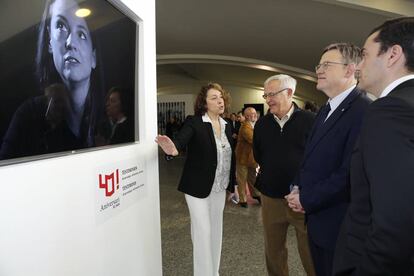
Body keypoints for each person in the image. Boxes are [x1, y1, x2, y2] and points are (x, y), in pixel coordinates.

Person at [333, 18, 414, 275]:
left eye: (365, 55)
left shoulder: (390, 110)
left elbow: (395, 220)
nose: (358, 65)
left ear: (392, 55)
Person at [285, 43, 371, 276]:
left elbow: (351, 173)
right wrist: (296, 186)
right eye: (318, 65)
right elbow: (309, 156)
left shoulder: (363, 110)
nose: (318, 70)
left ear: (349, 70)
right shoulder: (325, 110)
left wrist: (307, 198)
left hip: (340, 225)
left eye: (326, 65)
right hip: (318, 220)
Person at [0, 0, 103, 159]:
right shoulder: (27, 117)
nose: (70, 43)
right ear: (49, 41)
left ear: (94, 58)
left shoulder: (104, 121)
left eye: (82, 34)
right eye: (61, 26)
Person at [156, 83, 236, 276]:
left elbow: (231, 157)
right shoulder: (195, 122)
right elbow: (180, 141)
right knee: (202, 232)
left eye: (221, 97)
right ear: (204, 103)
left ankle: (213, 271)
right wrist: (172, 149)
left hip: (219, 187)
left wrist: (234, 185)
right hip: (196, 187)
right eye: (213, 98)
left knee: (216, 231)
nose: (219, 101)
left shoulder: (227, 125)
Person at [253, 74, 316, 276]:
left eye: (272, 94)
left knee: (309, 251)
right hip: (270, 197)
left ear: (289, 93)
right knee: (273, 251)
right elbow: (258, 154)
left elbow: (317, 158)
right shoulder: (262, 125)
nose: (268, 99)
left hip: (301, 198)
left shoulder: (310, 121)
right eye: (266, 95)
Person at [235, 107, 260, 208]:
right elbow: (254, 140)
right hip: (242, 157)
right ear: (246, 116)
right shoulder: (245, 127)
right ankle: (243, 200)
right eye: (250, 114)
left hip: (251, 157)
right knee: (242, 179)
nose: (253, 115)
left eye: (254, 113)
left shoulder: (254, 124)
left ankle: (256, 194)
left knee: (252, 178)